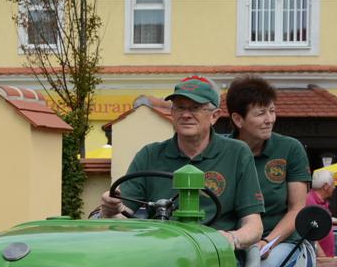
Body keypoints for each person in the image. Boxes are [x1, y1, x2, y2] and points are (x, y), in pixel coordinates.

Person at [97, 75, 264, 251]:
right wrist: (109, 211)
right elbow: (123, 219)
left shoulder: (236, 153)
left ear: (214, 116)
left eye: (195, 108)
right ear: (172, 113)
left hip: (215, 255)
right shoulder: (150, 155)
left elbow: (254, 225)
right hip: (160, 252)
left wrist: (229, 239)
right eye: (179, 108)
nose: (185, 115)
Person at [225, 75, 312, 267]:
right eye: (260, 113)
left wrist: (267, 243)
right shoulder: (223, 150)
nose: (269, 119)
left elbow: (297, 209)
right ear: (237, 119)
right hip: (232, 241)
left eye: (272, 111)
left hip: (280, 241)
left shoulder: (289, 149)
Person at [307, 169, 337, 257]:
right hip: (319, 261)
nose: (334, 187)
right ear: (325, 186)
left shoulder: (322, 202)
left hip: (325, 259)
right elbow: (310, 234)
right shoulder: (310, 202)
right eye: (333, 184)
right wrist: (323, 257)